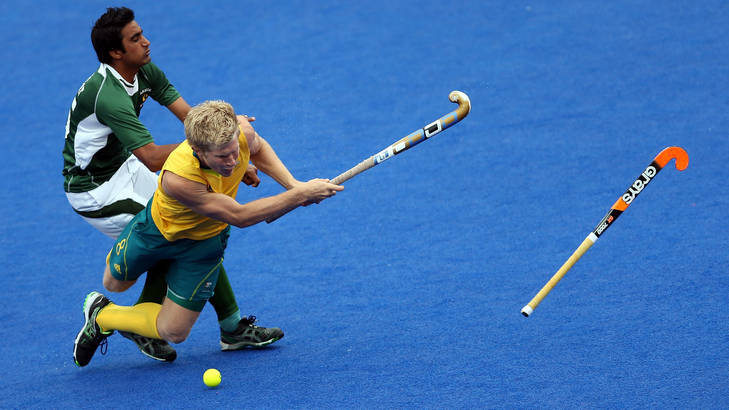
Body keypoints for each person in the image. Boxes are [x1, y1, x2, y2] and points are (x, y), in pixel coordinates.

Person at [73, 100, 343, 367]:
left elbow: (257, 147)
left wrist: (292, 185)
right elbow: (240, 216)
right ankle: (124, 292)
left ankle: (103, 316)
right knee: (114, 284)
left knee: (174, 332)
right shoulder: (178, 178)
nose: (233, 161)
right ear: (196, 149)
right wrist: (299, 195)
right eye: (222, 157)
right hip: (157, 234)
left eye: (234, 152)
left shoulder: (241, 132)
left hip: (203, 244)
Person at [63, 7, 263, 363]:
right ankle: (116, 317)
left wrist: (229, 152)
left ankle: (228, 326)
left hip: (125, 167)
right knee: (177, 234)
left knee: (198, 223)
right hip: (95, 189)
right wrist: (220, 151)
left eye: (142, 33)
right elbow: (155, 158)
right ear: (115, 53)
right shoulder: (107, 95)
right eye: (135, 39)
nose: (146, 41)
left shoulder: (143, 70)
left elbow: (193, 120)